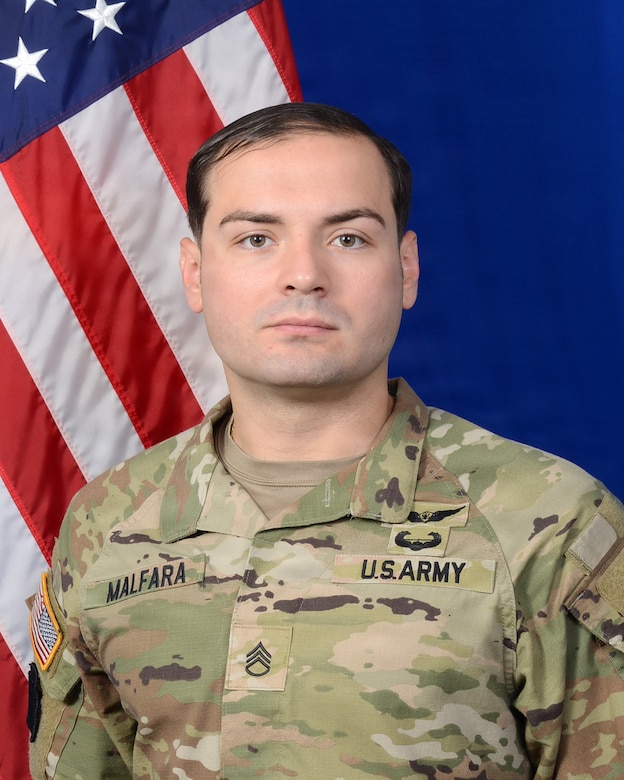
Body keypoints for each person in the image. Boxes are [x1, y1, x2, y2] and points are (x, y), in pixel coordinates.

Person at [28, 102, 624, 779]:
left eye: (348, 239)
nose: (304, 274)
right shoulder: (106, 525)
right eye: (256, 238)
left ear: (406, 268)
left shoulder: (550, 524)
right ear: (195, 273)